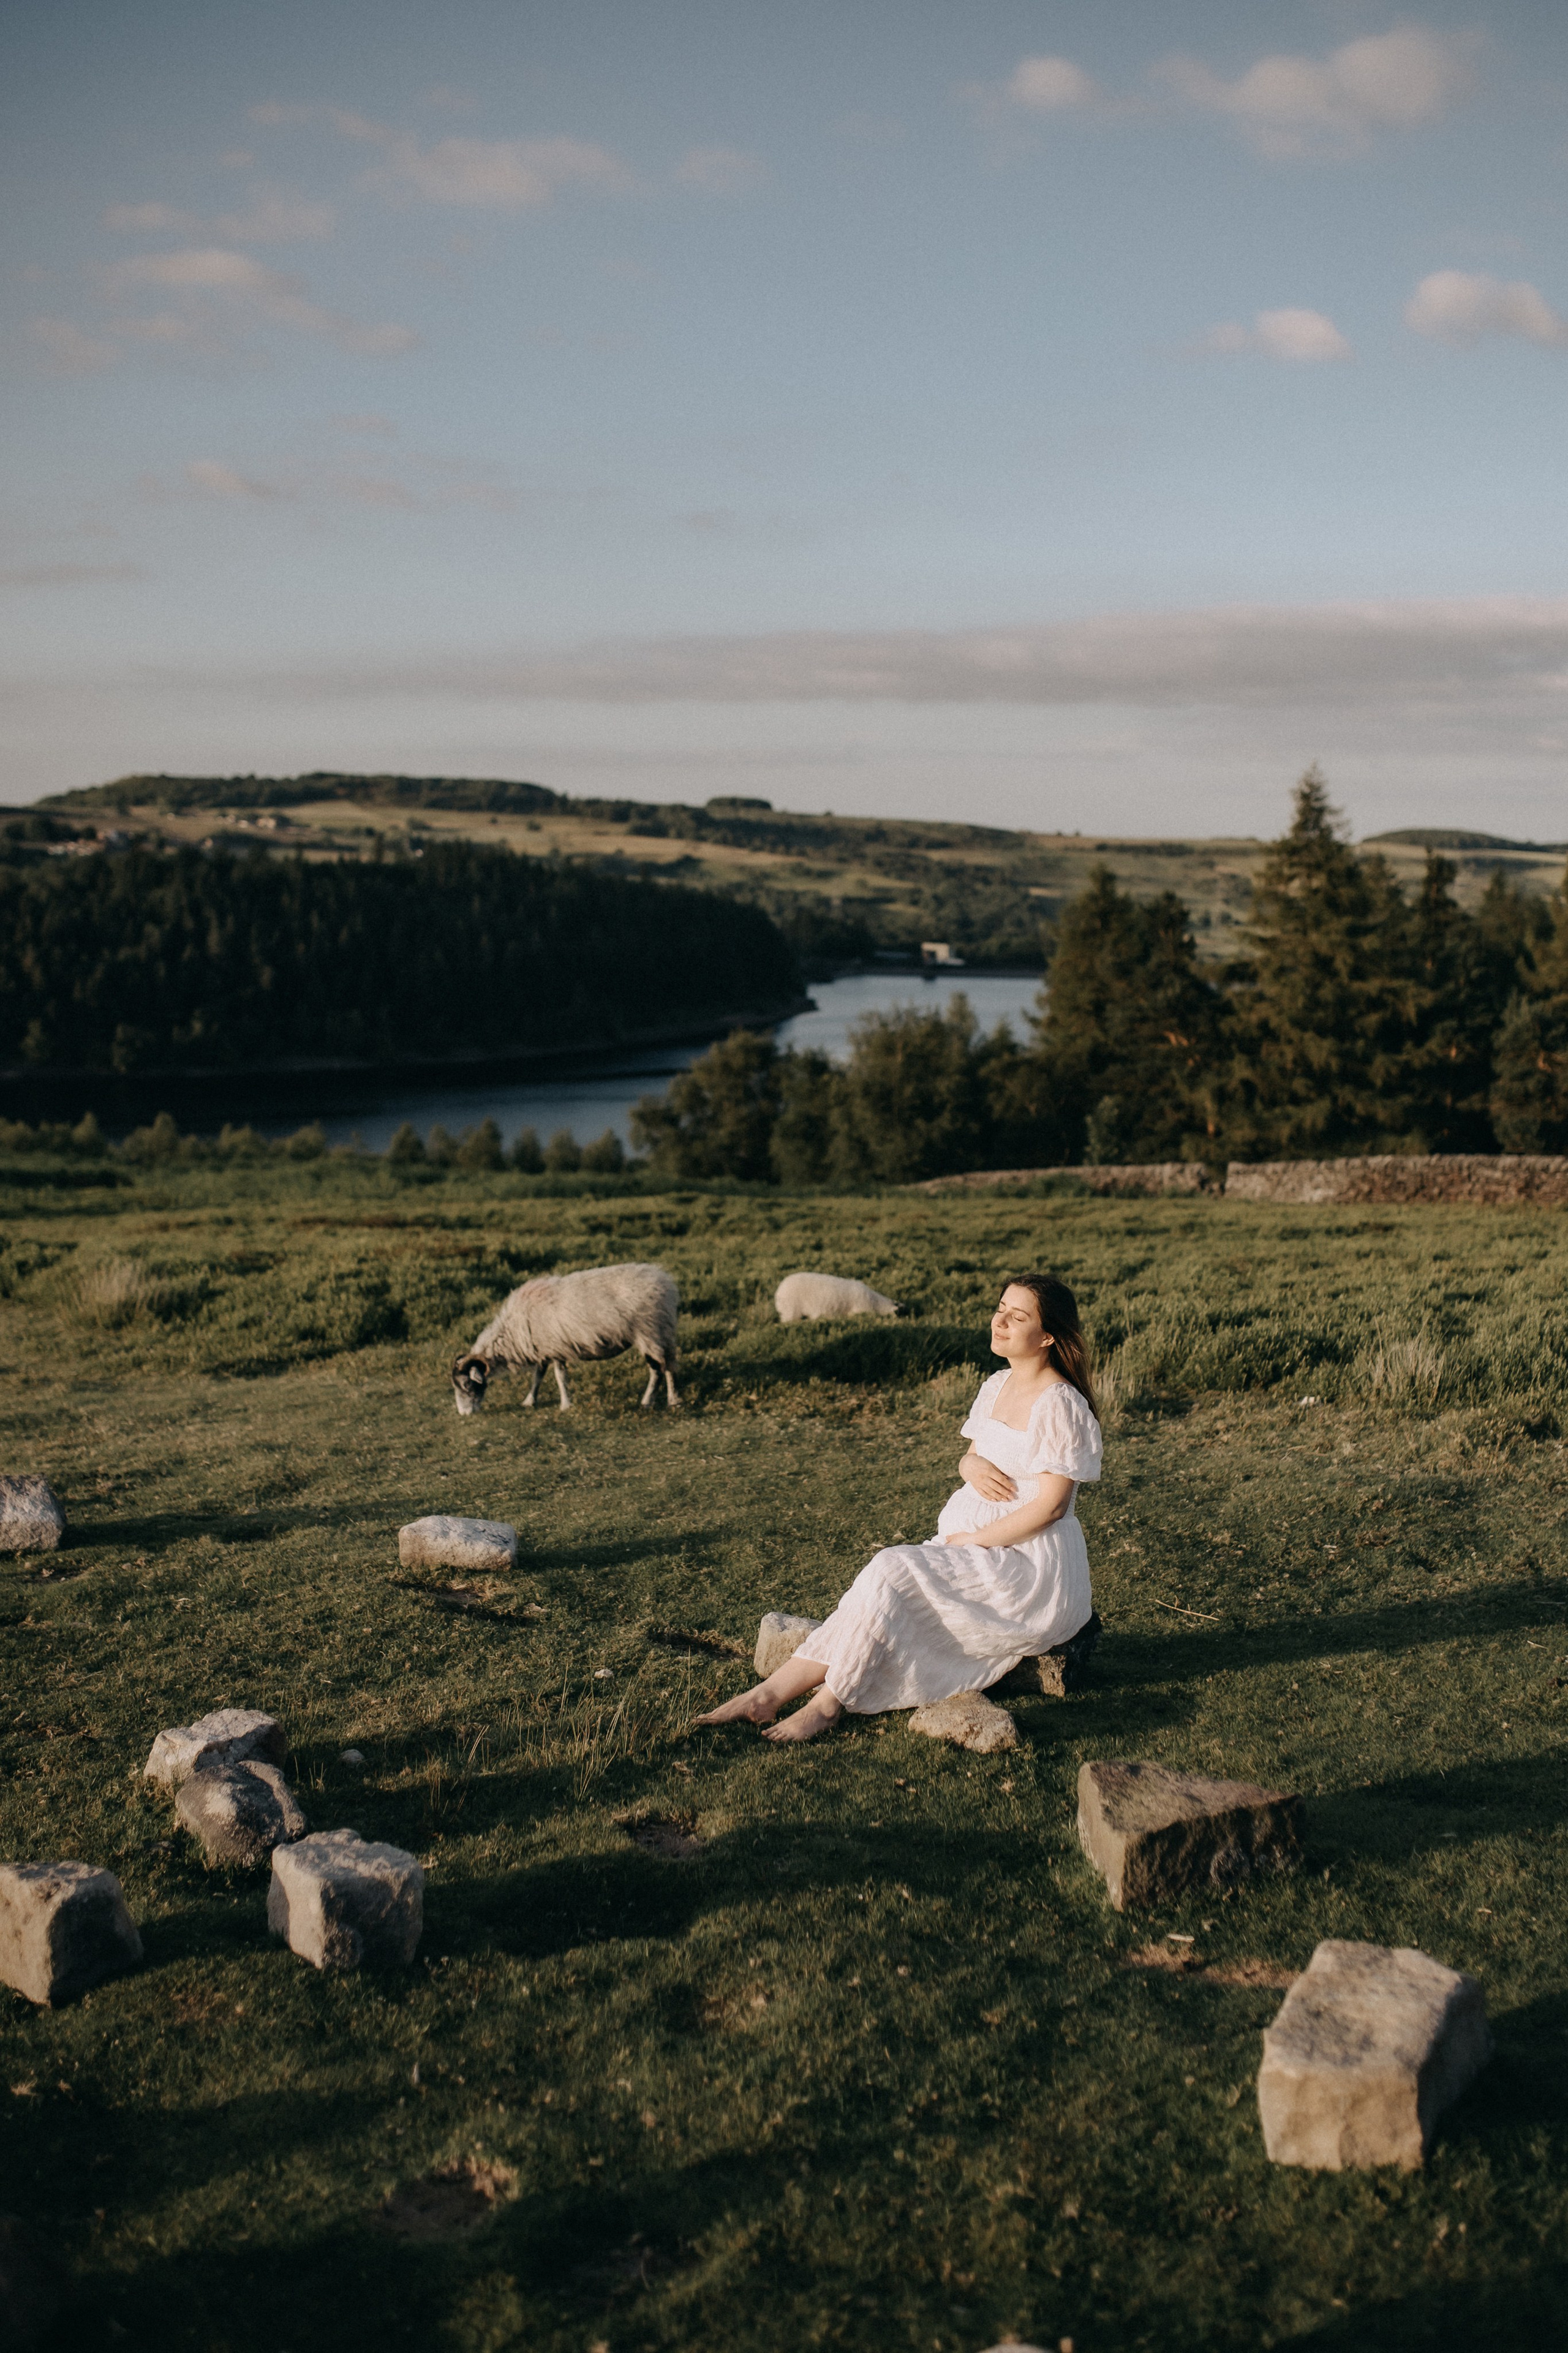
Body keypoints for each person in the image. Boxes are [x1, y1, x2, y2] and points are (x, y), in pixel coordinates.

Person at [696, 1272, 1101, 1743]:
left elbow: (1053, 1506)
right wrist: (968, 1466)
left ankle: (828, 1703)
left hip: (1030, 1568)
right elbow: (974, 1455)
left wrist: (974, 1539)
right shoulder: (996, 1384)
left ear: (1048, 1335)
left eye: (1018, 1315)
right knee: (878, 1585)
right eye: (1000, 1308)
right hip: (979, 1550)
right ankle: (767, 1694)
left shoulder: (1060, 1403)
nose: (1001, 1321)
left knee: (891, 1568)